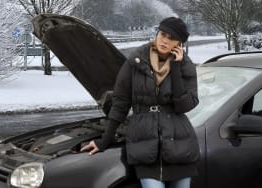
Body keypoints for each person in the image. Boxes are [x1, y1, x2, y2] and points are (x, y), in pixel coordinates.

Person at [81, 17, 200, 188]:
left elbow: (184, 106)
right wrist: (105, 140)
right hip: (145, 144)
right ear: (157, 33)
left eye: (172, 38)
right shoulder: (136, 60)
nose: (165, 40)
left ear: (179, 44)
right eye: (162, 34)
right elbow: (121, 102)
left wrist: (175, 68)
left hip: (179, 146)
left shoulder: (185, 65)